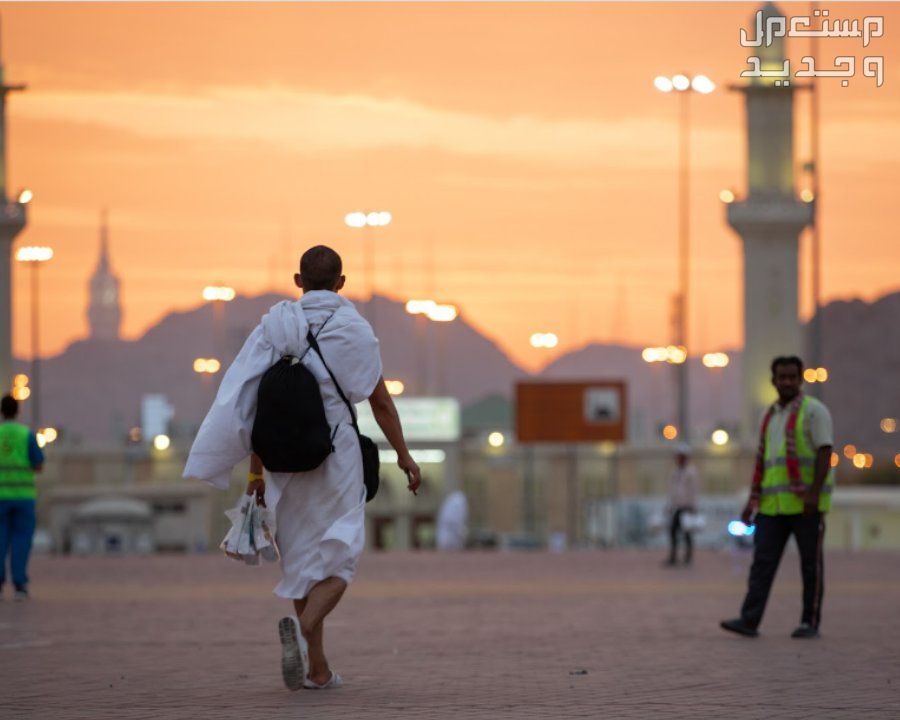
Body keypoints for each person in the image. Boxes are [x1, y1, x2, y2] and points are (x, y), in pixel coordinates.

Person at [184, 245, 421, 690]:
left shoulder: (275, 326)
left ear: (298, 281)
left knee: (299, 566)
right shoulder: (354, 329)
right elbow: (381, 402)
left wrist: (255, 473)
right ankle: (304, 627)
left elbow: (254, 406)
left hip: (282, 461)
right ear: (341, 283)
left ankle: (317, 669)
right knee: (340, 562)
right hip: (336, 456)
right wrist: (404, 456)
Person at [720, 355, 833, 639]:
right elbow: (764, 463)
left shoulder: (814, 411)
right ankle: (749, 620)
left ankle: (809, 622)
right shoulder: (769, 416)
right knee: (762, 564)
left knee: (810, 565)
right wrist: (751, 501)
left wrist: (813, 494)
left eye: (792, 377)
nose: (786, 382)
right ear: (773, 381)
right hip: (772, 506)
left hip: (805, 505)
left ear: (801, 378)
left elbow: (824, 452)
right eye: (781, 377)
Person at [0, 394, 45, 600]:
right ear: (17, 411)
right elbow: (38, 464)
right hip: (23, 496)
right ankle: (20, 584)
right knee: (21, 540)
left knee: (1, 539)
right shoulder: (26, 434)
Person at [663, 443, 698, 566]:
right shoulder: (675, 473)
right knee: (673, 531)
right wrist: (669, 506)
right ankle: (674, 556)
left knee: (686, 532)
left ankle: (687, 557)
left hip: (686, 507)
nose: (679, 459)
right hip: (677, 507)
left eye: (681, 456)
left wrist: (693, 506)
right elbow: (672, 491)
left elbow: (693, 491)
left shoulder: (691, 472)